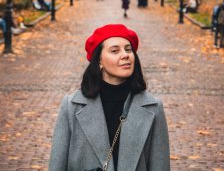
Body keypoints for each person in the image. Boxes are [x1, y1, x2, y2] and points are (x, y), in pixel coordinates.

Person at [49, 24, 170, 171]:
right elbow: (57, 163)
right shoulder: (71, 106)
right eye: (114, 51)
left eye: (128, 49)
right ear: (99, 61)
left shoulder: (153, 107)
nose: (125, 55)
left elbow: (160, 164)